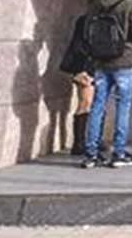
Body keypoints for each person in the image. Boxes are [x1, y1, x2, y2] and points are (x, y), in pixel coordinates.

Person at [81, 0, 132, 168]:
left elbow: (86, 29)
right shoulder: (130, 2)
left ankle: (91, 155)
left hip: (101, 61)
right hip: (124, 61)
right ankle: (118, 154)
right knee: (122, 106)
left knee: (97, 106)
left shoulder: (98, 0)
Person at [58, 10, 95, 157]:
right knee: (85, 102)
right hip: (85, 66)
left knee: (95, 103)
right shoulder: (86, 20)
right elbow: (79, 45)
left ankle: (93, 139)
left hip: (98, 66)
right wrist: (82, 69)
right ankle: (79, 142)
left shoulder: (104, 19)